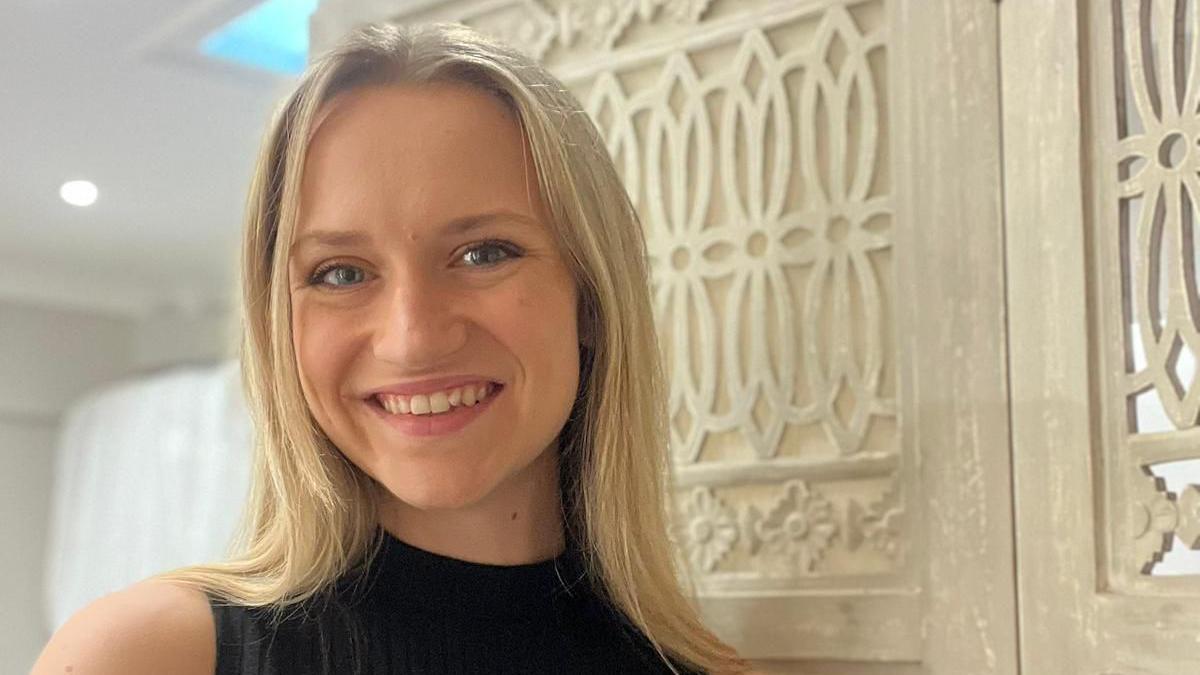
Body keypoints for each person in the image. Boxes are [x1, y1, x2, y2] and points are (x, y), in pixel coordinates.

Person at [33, 21, 748, 675]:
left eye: (483, 253)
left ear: (589, 297)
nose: (412, 338)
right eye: (340, 273)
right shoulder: (143, 656)